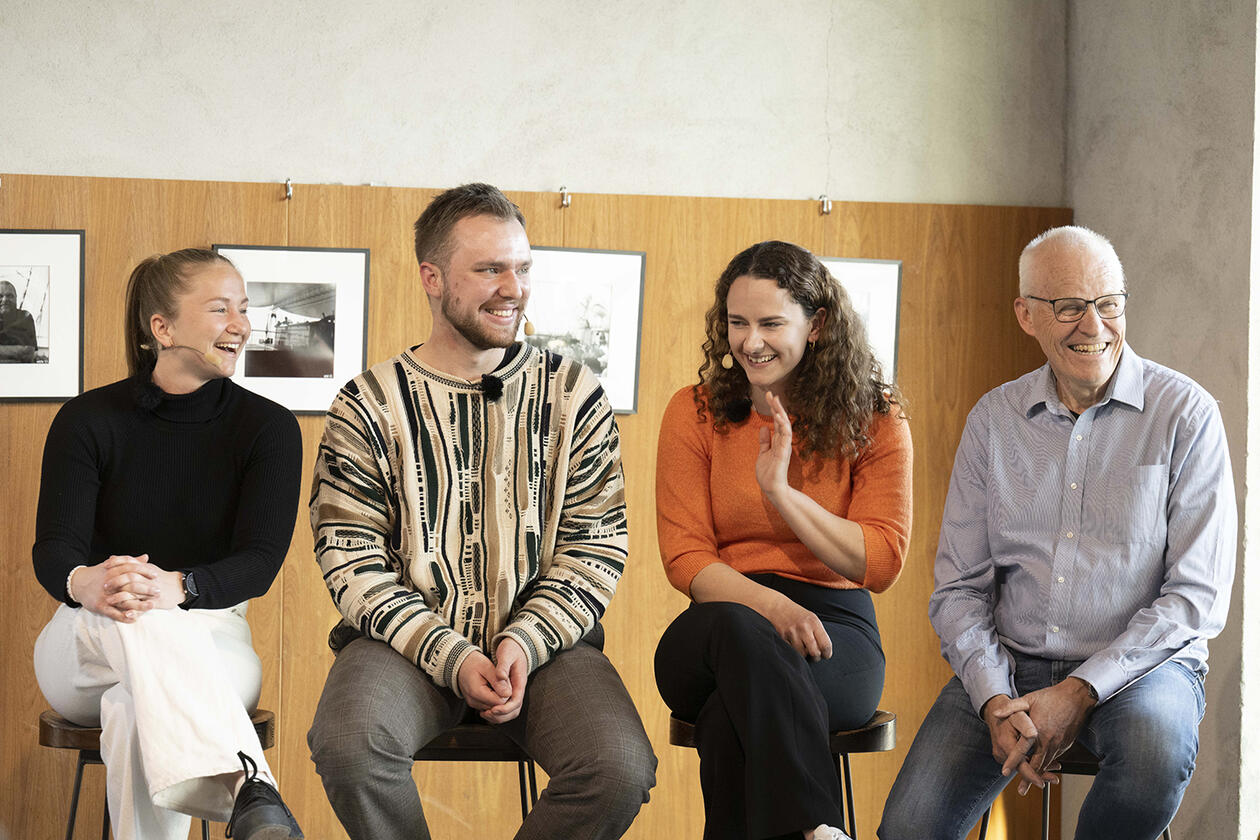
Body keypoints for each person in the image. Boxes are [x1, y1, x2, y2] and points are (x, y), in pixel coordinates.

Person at [307, 182, 656, 840]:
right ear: (431, 277)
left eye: (522, 268)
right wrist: (451, 655)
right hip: (402, 647)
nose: (512, 287)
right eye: (490, 268)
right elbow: (351, 560)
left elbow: (597, 544)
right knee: (350, 749)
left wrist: (523, 639)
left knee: (619, 767)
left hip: (547, 650)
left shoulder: (575, 394)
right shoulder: (367, 403)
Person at [878, 226, 1236, 840]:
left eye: (1109, 304)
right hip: (1010, 663)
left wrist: (1080, 690)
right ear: (1027, 315)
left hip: (1143, 669)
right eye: (1069, 307)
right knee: (910, 827)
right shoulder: (993, 420)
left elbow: (1195, 598)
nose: (1093, 326)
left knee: (1154, 757)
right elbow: (959, 590)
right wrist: (993, 697)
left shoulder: (1186, 414)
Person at [32, 248, 305, 840]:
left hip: (212, 634)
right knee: (135, 621)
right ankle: (251, 789)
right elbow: (54, 549)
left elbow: (258, 564)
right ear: (162, 328)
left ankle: (252, 796)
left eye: (243, 307)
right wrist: (95, 583)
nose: (241, 323)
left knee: (133, 712)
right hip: (86, 636)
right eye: (219, 309)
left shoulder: (269, 428)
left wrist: (174, 588)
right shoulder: (87, 419)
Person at [654, 240, 913, 840]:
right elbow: (686, 557)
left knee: (729, 718)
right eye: (737, 322)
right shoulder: (692, 413)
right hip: (722, 621)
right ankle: (818, 827)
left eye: (771, 323)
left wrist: (783, 494)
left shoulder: (876, 418)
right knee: (743, 637)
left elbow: (880, 561)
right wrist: (772, 607)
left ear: (817, 325)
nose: (750, 341)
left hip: (835, 632)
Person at [0, 279, 37, 362]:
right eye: (0, 296)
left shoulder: (25, 317)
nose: (5, 300)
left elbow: (29, 353)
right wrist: (17, 350)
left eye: (10, 296)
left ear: (16, 298)